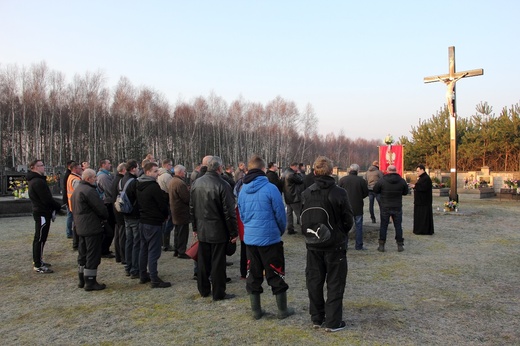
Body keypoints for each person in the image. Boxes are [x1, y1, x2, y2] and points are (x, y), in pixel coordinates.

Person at [238, 155, 294, 320]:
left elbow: (242, 214)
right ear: (263, 169)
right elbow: (280, 214)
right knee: (275, 273)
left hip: (251, 239)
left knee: (253, 275)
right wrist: (279, 230)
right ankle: (282, 310)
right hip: (269, 239)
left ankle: (256, 311)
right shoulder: (271, 188)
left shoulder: (242, 190)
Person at [301, 156, 353, 332]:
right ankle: (332, 321)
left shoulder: (307, 193)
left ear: (315, 171)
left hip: (313, 244)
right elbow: (348, 219)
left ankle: (317, 317)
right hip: (334, 245)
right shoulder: (339, 192)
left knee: (314, 281)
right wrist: (342, 232)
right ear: (331, 171)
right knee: (335, 282)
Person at [190, 156, 238, 300]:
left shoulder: (197, 183)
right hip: (218, 230)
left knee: (203, 261)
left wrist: (195, 227)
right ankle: (218, 293)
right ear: (219, 168)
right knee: (218, 263)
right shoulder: (223, 185)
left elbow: (191, 208)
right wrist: (233, 232)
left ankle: (204, 289)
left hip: (203, 229)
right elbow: (229, 212)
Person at [71, 168, 109, 291]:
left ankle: (82, 279)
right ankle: (90, 281)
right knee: (93, 254)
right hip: (91, 227)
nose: (96, 179)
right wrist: (105, 216)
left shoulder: (78, 190)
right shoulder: (89, 191)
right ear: (88, 179)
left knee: (83, 254)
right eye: (94, 177)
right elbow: (101, 209)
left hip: (81, 227)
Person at [136, 162, 171, 288]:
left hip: (143, 220)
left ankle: (142, 274)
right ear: (148, 172)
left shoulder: (138, 184)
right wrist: (165, 215)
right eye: (155, 171)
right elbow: (161, 205)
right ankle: (154, 278)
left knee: (144, 249)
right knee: (153, 251)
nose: (158, 174)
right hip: (153, 222)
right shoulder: (152, 186)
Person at [27, 159, 63, 273]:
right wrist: (58, 206)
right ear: (33, 167)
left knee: (41, 238)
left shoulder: (37, 180)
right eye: (40, 165)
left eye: (43, 165)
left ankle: (38, 260)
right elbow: (46, 199)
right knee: (40, 238)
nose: (43, 167)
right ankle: (38, 264)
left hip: (42, 211)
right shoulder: (37, 182)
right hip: (41, 212)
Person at [373, 165, 409, 252]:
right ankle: (400, 245)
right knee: (398, 226)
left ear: (387, 171)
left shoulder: (382, 180)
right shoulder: (401, 181)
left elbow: (375, 190)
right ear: (396, 170)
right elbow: (405, 192)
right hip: (397, 206)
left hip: (385, 206)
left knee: (383, 226)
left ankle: (381, 245)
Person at [339, 164, 369, 250]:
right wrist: (359, 197)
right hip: (358, 206)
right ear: (358, 171)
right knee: (359, 227)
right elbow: (366, 193)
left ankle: (344, 245)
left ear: (349, 170)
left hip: (345, 207)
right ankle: (359, 245)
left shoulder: (342, 180)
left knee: (344, 227)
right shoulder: (361, 181)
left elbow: (338, 192)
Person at [167, 164, 191, 259]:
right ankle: (181, 251)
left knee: (177, 231)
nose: (185, 173)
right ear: (180, 172)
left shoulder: (173, 181)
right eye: (184, 171)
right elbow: (186, 198)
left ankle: (177, 250)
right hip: (181, 211)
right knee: (182, 232)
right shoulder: (180, 183)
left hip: (175, 210)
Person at [122, 159, 140, 279]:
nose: (138, 170)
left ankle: (128, 267)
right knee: (136, 243)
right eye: (137, 168)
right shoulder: (133, 182)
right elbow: (138, 199)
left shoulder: (122, 179)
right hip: (134, 215)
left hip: (125, 214)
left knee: (129, 242)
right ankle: (134, 269)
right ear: (133, 169)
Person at [96, 158, 115, 258]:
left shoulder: (105, 175)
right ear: (103, 165)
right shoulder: (103, 176)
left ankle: (105, 249)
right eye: (108, 163)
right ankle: (103, 250)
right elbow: (110, 190)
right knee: (109, 227)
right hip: (107, 203)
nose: (110, 165)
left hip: (107, 202)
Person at [411, 165, 434, 235]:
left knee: (423, 217)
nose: (417, 172)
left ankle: (423, 230)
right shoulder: (422, 178)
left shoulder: (426, 178)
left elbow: (424, 188)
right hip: (420, 201)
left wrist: (415, 186)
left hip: (424, 201)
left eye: (418, 171)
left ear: (422, 170)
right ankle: (420, 229)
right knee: (420, 216)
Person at [111, 162, 127, 263]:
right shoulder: (120, 180)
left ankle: (119, 255)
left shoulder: (115, 179)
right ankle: (122, 256)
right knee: (122, 235)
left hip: (116, 209)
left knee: (118, 234)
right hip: (120, 210)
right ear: (124, 170)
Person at [157, 159, 174, 251]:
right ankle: (165, 243)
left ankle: (163, 242)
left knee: (164, 223)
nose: (172, 167)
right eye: (171, 165)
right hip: (167, 200)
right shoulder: (167, 176)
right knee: (168, 223)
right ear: (167, 165)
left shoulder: (159, 175)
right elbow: (171, 189)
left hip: (162, 200)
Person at [282, 162, 304, 234]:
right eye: (297, 167)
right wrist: (299, 173)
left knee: (289, 213)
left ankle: (290, 228)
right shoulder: (292, 174)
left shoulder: (285, 173)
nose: (297, 168)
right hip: (294, 196)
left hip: (287, 196)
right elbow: (301, 180)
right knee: (299, 214)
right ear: (294, 166)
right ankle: (304, 229)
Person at [67, 162, 83, 251]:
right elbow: (80, 192)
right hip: (76, 205)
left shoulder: (71, 177)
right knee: (77, 225)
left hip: (72, 204)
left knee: (75, 224)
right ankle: (76, 243)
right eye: (80, 168)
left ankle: (75, 242)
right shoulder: (75, 179)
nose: (81, 170)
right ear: (75, 169)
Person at [62, 160, 75, 239]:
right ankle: (69, 232)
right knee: (70, 216)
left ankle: (69, 231)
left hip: (68, 198)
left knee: (70, 216)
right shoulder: (68, 175)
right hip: (69, 199)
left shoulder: (68, 174)